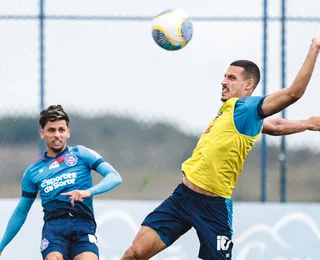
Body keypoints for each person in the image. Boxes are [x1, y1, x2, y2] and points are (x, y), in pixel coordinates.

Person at [120, 36, 320, 260]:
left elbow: (294, 92)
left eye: (231, 77)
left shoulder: (248, 107)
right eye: (224, 76)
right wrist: (308, 123)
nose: (223, 81)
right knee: (134, 253)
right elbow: (274, 125)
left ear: (248, 85)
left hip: (213, 207)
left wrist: (315, 47)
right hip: (182, 198)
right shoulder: (232, 111)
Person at [0, 105, 123, 260]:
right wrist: (1, 246)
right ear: (42, 133)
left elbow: (115, 176)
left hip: (83, 225)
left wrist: (88, 192)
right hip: (54, 229)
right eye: (51, 130)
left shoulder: (82, 154)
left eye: (61, 130)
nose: (57, 135)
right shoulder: (33, 172)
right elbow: (20, 212)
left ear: (68, 133)